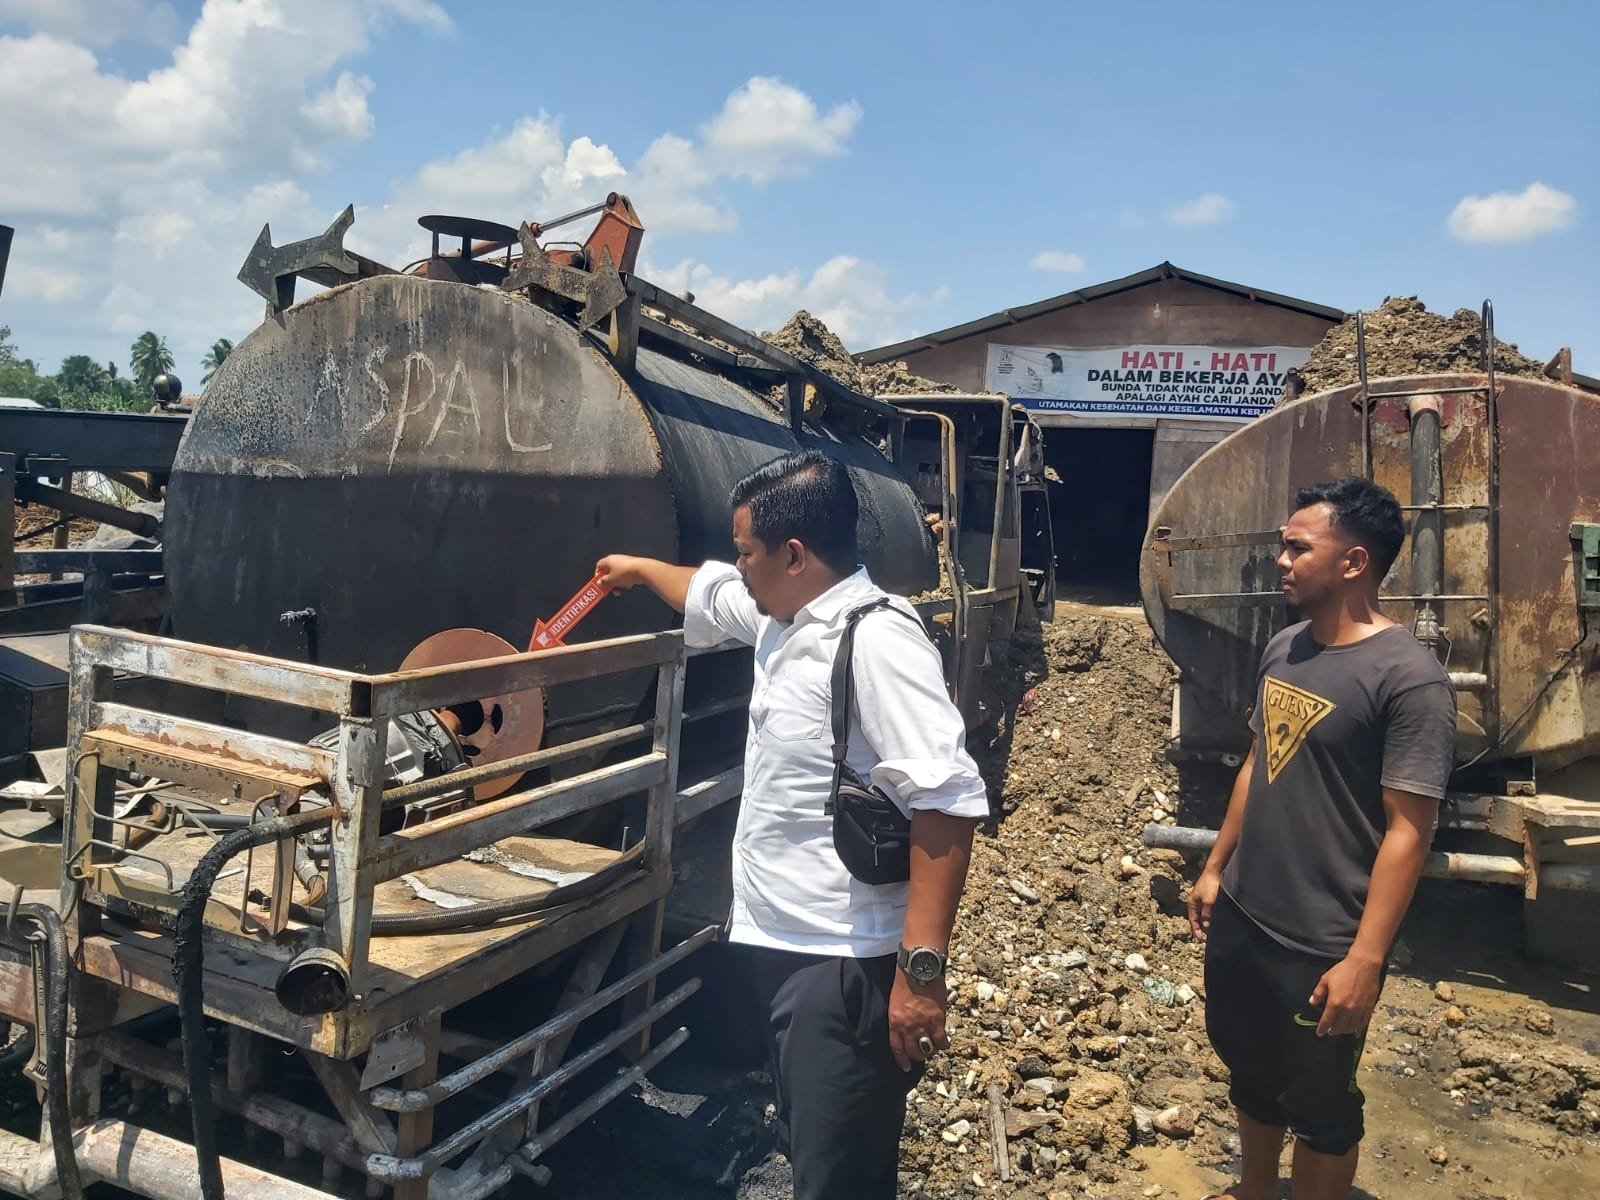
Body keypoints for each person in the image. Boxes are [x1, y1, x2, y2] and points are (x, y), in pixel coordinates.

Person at [596, 449, 986, 1200]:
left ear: (796, 555)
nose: (738, 567)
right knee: (813, 1148)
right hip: (782, 944)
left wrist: (919, 976)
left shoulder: (876, 640)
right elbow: (706, 590)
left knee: (839, 1176)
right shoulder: (784, 616)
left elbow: (946, 802)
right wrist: (639, 569)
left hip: (842, 965)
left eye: (747, 552)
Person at [1187, 477, 1457, 1200]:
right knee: (1251, 1072)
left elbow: (1409, 832)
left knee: (1320, 1106)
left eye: (1298, 547)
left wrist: (1364, 960)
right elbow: (1259, 761)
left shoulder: (1409, 681)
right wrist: (1216, 867)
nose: (1281, 560)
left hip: (1323, 940)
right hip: (1245, 913)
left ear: (1354, 561)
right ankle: (1253, 1191)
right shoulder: (1285, 647)